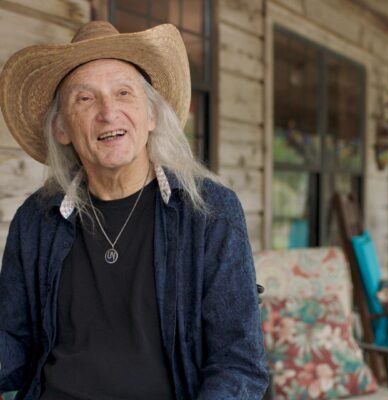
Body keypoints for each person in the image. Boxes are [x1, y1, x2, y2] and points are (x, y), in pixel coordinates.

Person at [0, 21, 268, 399]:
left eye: (124, 93)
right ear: (62, 128)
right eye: (85, 99)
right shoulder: (36, 219)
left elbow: (238, 364)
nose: (108, 113)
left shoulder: (209, 213)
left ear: (152, 115)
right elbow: (11, 341)